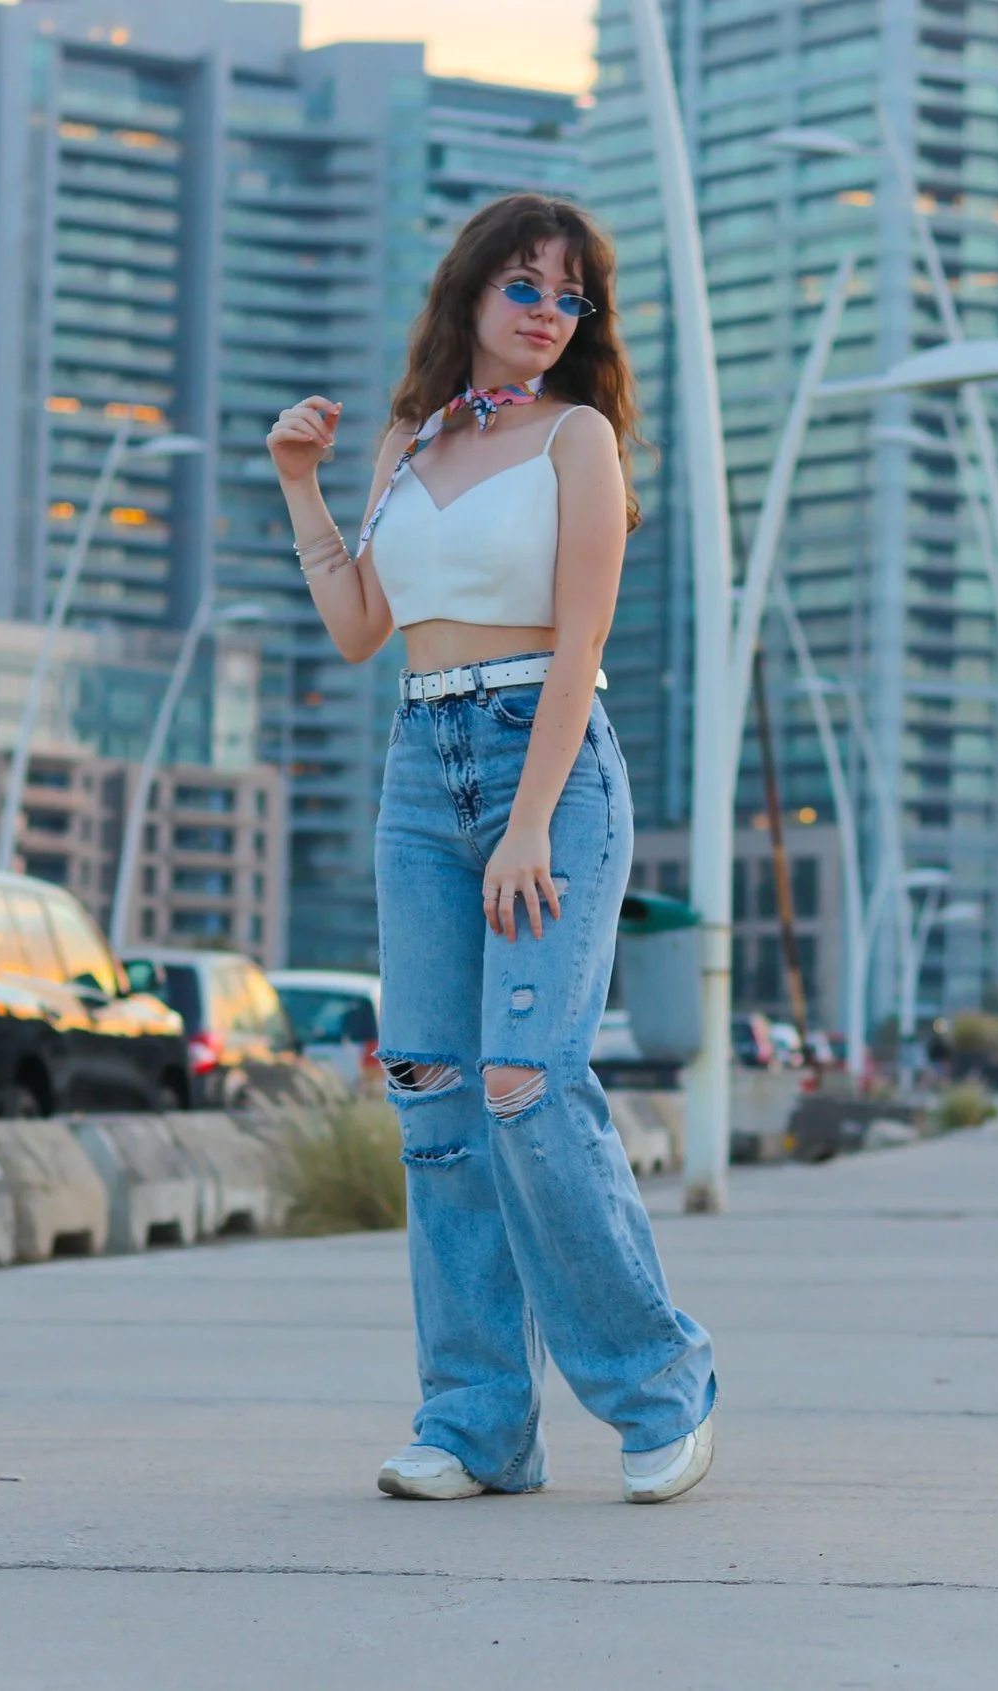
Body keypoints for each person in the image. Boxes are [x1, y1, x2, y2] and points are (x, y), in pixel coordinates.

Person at [267, 194, 715, 1506]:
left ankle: (661, 1384)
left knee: (526, 1079)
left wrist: (527, 821)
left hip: (548, 766)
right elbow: (360, 623)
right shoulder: (408, 440)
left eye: (571, 296)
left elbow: (581, 643)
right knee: (434, 1091)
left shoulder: (579, 439)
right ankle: (476, 1422)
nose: (547, 312)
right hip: (421, 761)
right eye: (525, 284)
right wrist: (298, 483)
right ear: (470, 290)